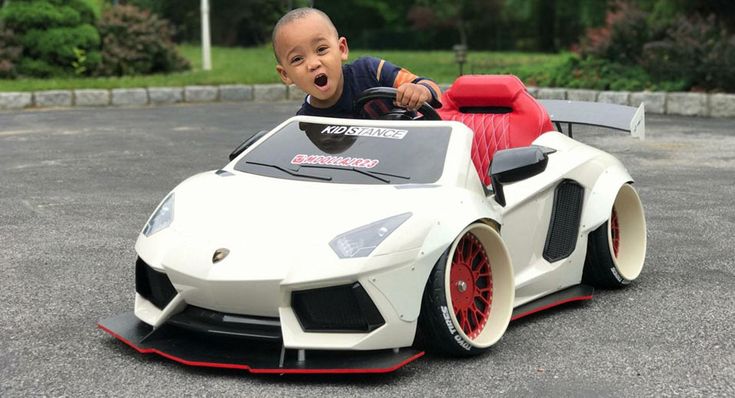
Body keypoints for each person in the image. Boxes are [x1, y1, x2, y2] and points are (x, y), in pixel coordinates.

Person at [272, 7, 442, 118]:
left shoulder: (371, 70)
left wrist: (419, 90)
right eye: (297, 59)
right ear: (286, 75)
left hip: (413, 154)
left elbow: (433, 88)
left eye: (321, 49)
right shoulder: (304, 123)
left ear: (342, 49)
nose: (313, 64)